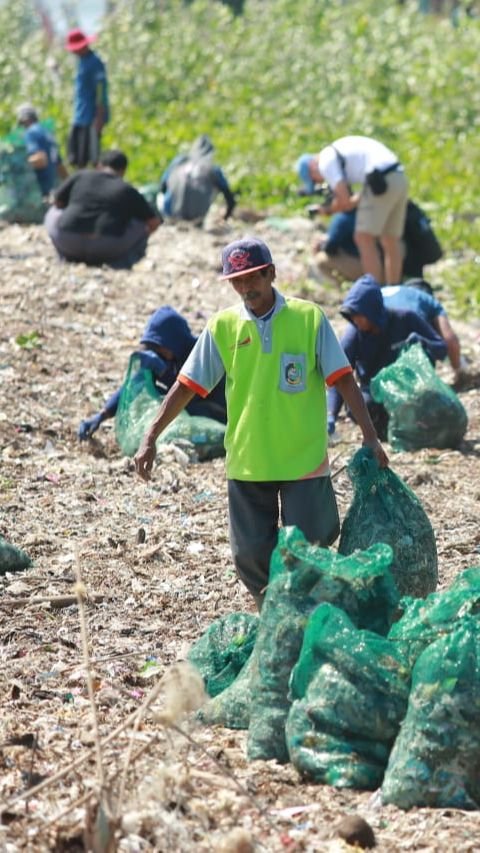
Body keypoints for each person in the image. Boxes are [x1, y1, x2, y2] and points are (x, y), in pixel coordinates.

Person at [134, 237, 388, 609]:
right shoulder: (223, 327)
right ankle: (270, 611)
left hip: (303, 458)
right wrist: (151, 435)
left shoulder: (307, 318)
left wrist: (370, 436)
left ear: (271, 273)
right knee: (251, 554)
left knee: (312, 542)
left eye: (252, 277)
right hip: (250, 458)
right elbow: (187, 386)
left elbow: (343, 378)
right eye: (236, 281)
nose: (245, 287)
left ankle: (304, 607)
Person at [78, 306, 227, 440]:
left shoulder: (202, 353)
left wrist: (166, 374)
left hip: (218, 411)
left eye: (158, 347)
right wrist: (102, 415)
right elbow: (134, 385)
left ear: (174, 343)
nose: (155, 352)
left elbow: (191, 392)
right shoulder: (167, 359)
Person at [327, 275, 448, 440]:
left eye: (360, 315)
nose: (356, 320)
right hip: (375, 395)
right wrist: (331, 414)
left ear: (373, 310)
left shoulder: (406, 319)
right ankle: (389, 432)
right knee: (361, 406)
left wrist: (423, 342)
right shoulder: (355, 333)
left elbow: (441, 349)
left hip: (410, 390)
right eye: (352, 316)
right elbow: (339, 374)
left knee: (438, 410)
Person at [296, 135, 408, 285]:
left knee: (363, 238)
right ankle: (394, 289)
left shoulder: (325, 163)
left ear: (312, 167)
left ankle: (374, 292)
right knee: (390, 240)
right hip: (398, 177)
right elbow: (353, 200)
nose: (321, 182)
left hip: (381, 180)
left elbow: (345, 202)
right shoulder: (339, 151)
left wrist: (327, 210)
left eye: (315, 180)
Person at [44, 149, 161, 268]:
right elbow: (153, 222)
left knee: (53, 212)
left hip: (68, 241)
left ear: (99, 165)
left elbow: (57, 202)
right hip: (107, 247)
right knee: (140, 223)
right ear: (123, 171)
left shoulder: (81, 175)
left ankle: (65, 256)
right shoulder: (127, 189)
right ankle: (122, 261)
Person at [311, 202, 442, 286]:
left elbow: (330, 248)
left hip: (375, 270)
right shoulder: (376, 208)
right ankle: (392, 282)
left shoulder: (343, 218)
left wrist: (321, 244)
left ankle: (359, 288)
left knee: (321, 259)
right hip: (399, 266)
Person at [382, 279, 462, 375]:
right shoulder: (427, 298)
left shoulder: (379, 291)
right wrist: (458, 370)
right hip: (413, 329)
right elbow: (450, 340)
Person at [158, 134, 236, 223]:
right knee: (214, 185)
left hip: (171, 212)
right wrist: (226, 217)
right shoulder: (212, 169)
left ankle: (164, 220)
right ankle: (198, 220)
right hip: (197, 215)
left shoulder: (179, 161)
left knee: (161, 193)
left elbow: (162, 187)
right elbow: (229, 198)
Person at [65, 28, 109, 168]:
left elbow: (101, 90)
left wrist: (99, 116)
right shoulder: (82, 61)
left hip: (91, 116)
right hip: (80, 115)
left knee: (93, 155)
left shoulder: (95, 62)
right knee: (77, 156)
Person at [16, 103, 68, 199]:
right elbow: (60, 166)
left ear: (25, 120)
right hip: (54, 188)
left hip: (43, 190)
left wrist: (19, 167)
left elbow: (40, 159)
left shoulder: (31, 132)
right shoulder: (48, 133)